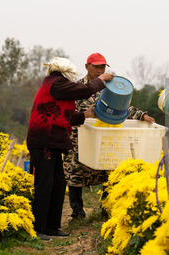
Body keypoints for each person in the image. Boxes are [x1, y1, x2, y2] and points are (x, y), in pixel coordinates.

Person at [27, 57, 114, 240]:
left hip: (52, 142)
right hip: (44, 140)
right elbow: (84, 90)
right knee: (45, 184)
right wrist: (102, 80)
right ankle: (38, 228)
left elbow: (65, 117)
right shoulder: (56, 83)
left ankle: (51, 227)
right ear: (64, 72)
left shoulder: (56, 86)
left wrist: (85, 115)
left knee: (58, 184)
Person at [63, 53, 155, 219]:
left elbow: (123, 107)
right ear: (86, 66)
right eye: (96, 66)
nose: (100, 70)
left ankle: (106, 210)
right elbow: (68, 113)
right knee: (75, 173)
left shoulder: (110, 87)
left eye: (102, 67)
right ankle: (77, 214)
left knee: (108, 172)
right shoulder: (77, 87)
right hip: (79, 138)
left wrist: (141, 115)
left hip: (104, 139)